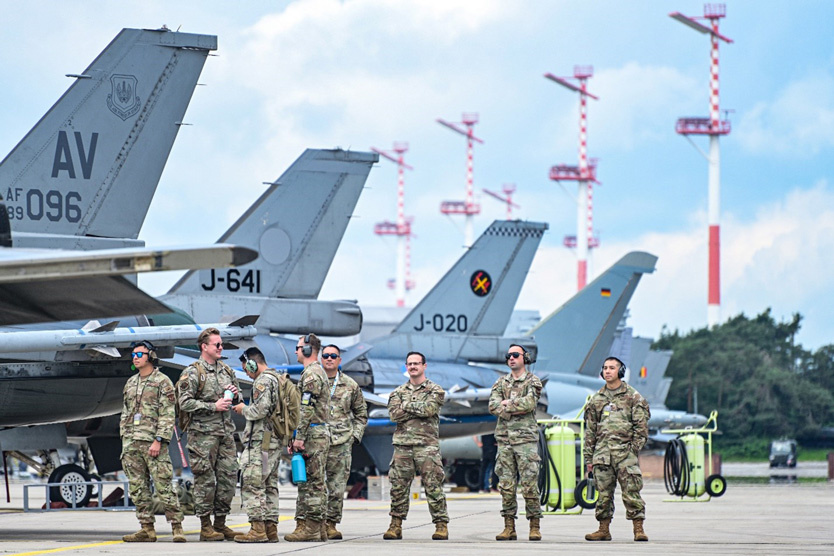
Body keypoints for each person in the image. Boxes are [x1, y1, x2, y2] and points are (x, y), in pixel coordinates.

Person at [176, 328, 242, 541]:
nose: (221, 348)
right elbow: (184, 402)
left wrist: (234, 393)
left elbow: (237, 395)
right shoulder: (193, 372)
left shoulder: (226, 370)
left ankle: (220, 524)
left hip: (225, 434)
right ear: (204, 347)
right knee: (205, 480)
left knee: (228, 478)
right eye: (217, 345)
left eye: (221, 344)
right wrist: (213, 406)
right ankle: (206, 526)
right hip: (203, 436)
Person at [120, 340, 185, 543]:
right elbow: (125, 412)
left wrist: (159, 440)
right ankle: (146, 528)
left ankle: (177, 527)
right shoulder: (131, 382)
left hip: (153, 443)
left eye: (140, 354)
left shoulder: (162, 381)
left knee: (164, 486)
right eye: (133, 355)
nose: (136, 358)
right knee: (138, 489)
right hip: (132, 444)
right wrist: (125, 439)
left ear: (151, 356)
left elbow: (167, 414)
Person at [383, 351, 449, 541]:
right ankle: (395, 525)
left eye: (416, 364)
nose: (412, 367)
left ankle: (441, 524)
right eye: (409, 364)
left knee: (433, 485)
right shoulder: (397, 392)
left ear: (424, 366)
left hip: (426, 446)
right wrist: (416, 407)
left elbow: (429, 409)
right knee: (398, 487)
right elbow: (394, 414)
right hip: (403, 447)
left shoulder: (435, 390)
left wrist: (406, 406)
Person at [584, 356, 651, 542]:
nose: (607, 371)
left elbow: (641, 427)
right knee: (603, 495)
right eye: (605, 367)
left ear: (620, 371)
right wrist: (589, 458)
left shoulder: (633, 397)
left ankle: (638, 529)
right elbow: (590, 431)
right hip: (602, 456)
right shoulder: (597, 399)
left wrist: (633, 451)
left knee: (632, 492)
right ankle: (603, 529)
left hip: (625, 455)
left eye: (612, 368)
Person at [488, 344, 543, 541]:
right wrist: (512, 407)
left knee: (529, 484)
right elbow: (492, 406)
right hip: (505, 441)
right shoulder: (501, 382)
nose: (511, 358)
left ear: (524, 358)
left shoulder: (533, 381)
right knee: (506, 485)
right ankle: (509, 526)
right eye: (508, 355)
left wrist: (507, 404)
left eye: (515, 355)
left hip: (525, 441)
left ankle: (534, 525)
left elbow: (529, 403)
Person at [232, 347, 284, 543]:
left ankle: (257, 529)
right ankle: (271, 529)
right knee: (269, 484)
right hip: (272, 440)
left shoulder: (263, 381)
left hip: (261, 441)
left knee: (252, 482)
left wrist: (243, 408)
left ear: (253, 364)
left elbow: (260, 410)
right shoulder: (278, 379)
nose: (246, 373)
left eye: (246, 369)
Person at [285, 333, 331, 542]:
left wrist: (299, 437)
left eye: (298, 347)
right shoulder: (314, 372)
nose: (295, 351)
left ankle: (311, 528)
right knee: (314, 481)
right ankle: (317, 527)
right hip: (314, 432)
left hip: (312, 433)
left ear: (306, 350)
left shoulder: (311, 375)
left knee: (311, 483)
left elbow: (306, 409)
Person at [320, 344, 367, 539]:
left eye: (333, 356)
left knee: (337, 487)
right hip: (317, 443)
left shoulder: (350, 385)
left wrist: (355, 436)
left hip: (341, 443)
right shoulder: (313, 382)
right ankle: (314, 522)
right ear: (321, 359)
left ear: (339, 360)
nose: (329, 358)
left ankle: (331, 523)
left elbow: (361, 414)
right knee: (314, 485)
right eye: (326, 355)